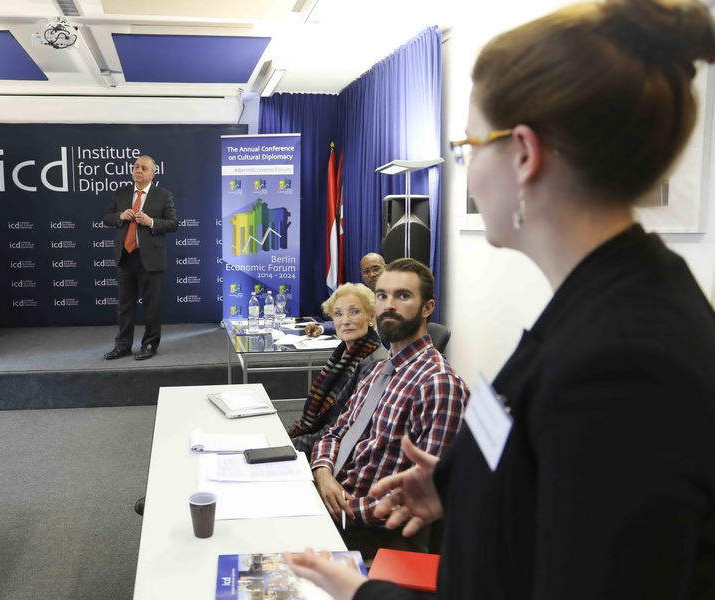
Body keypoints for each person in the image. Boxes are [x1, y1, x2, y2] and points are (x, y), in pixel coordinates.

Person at [286, 0, 715, 597]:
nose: (466, 169)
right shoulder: (601, 299)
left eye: (469, 145)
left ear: (524, 155)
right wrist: (463, 486)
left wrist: (363, 592)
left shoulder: (623, 361)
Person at [309, 258, 468, 560]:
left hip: (369, 529)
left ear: (427, 308)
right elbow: (335, 433)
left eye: (403, 296)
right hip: (331, 495)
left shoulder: (438, 384)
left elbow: (418, 496)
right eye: (382, 296)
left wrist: (339, 507)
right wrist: (323, 474)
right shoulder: (378, 370)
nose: (389, 305)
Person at [286, 283, 388, 457]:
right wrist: (282, 435)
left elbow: (340, 430)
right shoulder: (343, 354)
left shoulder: (374, 364)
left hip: (338, 453)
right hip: (321, 440)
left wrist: (287, 444)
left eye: (354, 312)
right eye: (338, 314)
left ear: (371, 316)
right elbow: (312, 420)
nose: (345, 320)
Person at [102, 155, 178, 361]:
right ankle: (123, 346)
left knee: (152, 306)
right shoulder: (121, 192)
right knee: (125, 305)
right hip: (126, 256)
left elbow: (173, 223)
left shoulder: (163, 195)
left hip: (151, 258)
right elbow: (107, 217)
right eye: (136, 167)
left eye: (144, 168)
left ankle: (150, 344)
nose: (138, 170)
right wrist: (120, 216)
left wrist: (150, 221)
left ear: (153, 174)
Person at [306, 253, 386, 338]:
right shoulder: (362, 296)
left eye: (376, 269)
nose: (372, 274)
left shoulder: (393, 298)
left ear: (386, 269)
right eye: (366, 271)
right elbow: (347, 320)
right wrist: (321, 328)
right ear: (362, 275)